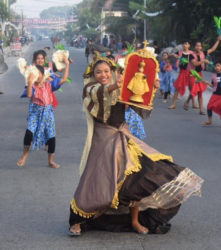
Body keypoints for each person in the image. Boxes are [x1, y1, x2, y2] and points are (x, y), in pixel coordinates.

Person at [68, 56, 203, 236]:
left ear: (113, 72)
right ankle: (79, 220)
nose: (103, 75)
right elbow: (101, 93)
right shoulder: (90, 89)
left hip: (124, 136)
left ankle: (135, 221)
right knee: (96, 183)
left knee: (139, 178)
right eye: (99, 72)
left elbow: (141, 108)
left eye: (107, 71)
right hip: (104, 140)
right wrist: (117, 85)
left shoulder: (122, 87)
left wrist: (152, 90)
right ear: (93, 74)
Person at [16, 57, 70, 168]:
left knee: (51, 138)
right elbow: (29, 95)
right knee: (28, 134)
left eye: (37, 73)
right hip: (35, 114)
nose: (35, 75)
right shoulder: (33, 86)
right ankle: (24, 156)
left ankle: (51, 161)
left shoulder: (49, 84)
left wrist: (67, 64)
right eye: (33, 74)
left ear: (42, 74)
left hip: (48, 114)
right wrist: (30, 81)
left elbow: (64, 79)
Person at [185, 36, 221, 115]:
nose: (199, 47)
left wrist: (218, 41)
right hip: (192, 74)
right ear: (194, 47)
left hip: (199, 74)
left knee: (199, 92)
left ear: (201, 47)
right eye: (197, 46)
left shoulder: (203, 53)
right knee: (194, 90)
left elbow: (212, 49)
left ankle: (201, 109)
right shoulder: (191, 55)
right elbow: (194, 63)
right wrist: (204, 60)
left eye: (200, 46)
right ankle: (187, 101)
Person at [168, 41, 195, 109]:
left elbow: (194, 62)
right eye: (184, 43)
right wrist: (173, 55)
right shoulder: (180, 53)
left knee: (192, 89)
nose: (185, 45)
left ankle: (188, 102)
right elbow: (169, 55)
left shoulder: (191, 54)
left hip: (190, 72)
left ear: (189, 45)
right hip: (182, 72)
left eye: (187, 44)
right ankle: (174, 104)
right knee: (177, 88)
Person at [202, 60, 221, 127]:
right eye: (215, 66)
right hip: (215, 93)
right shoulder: (213, 76)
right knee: (209, 106)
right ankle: (209, 121)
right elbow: (213, 85)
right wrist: (207, 83)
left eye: (218, 66)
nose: (216, 67)